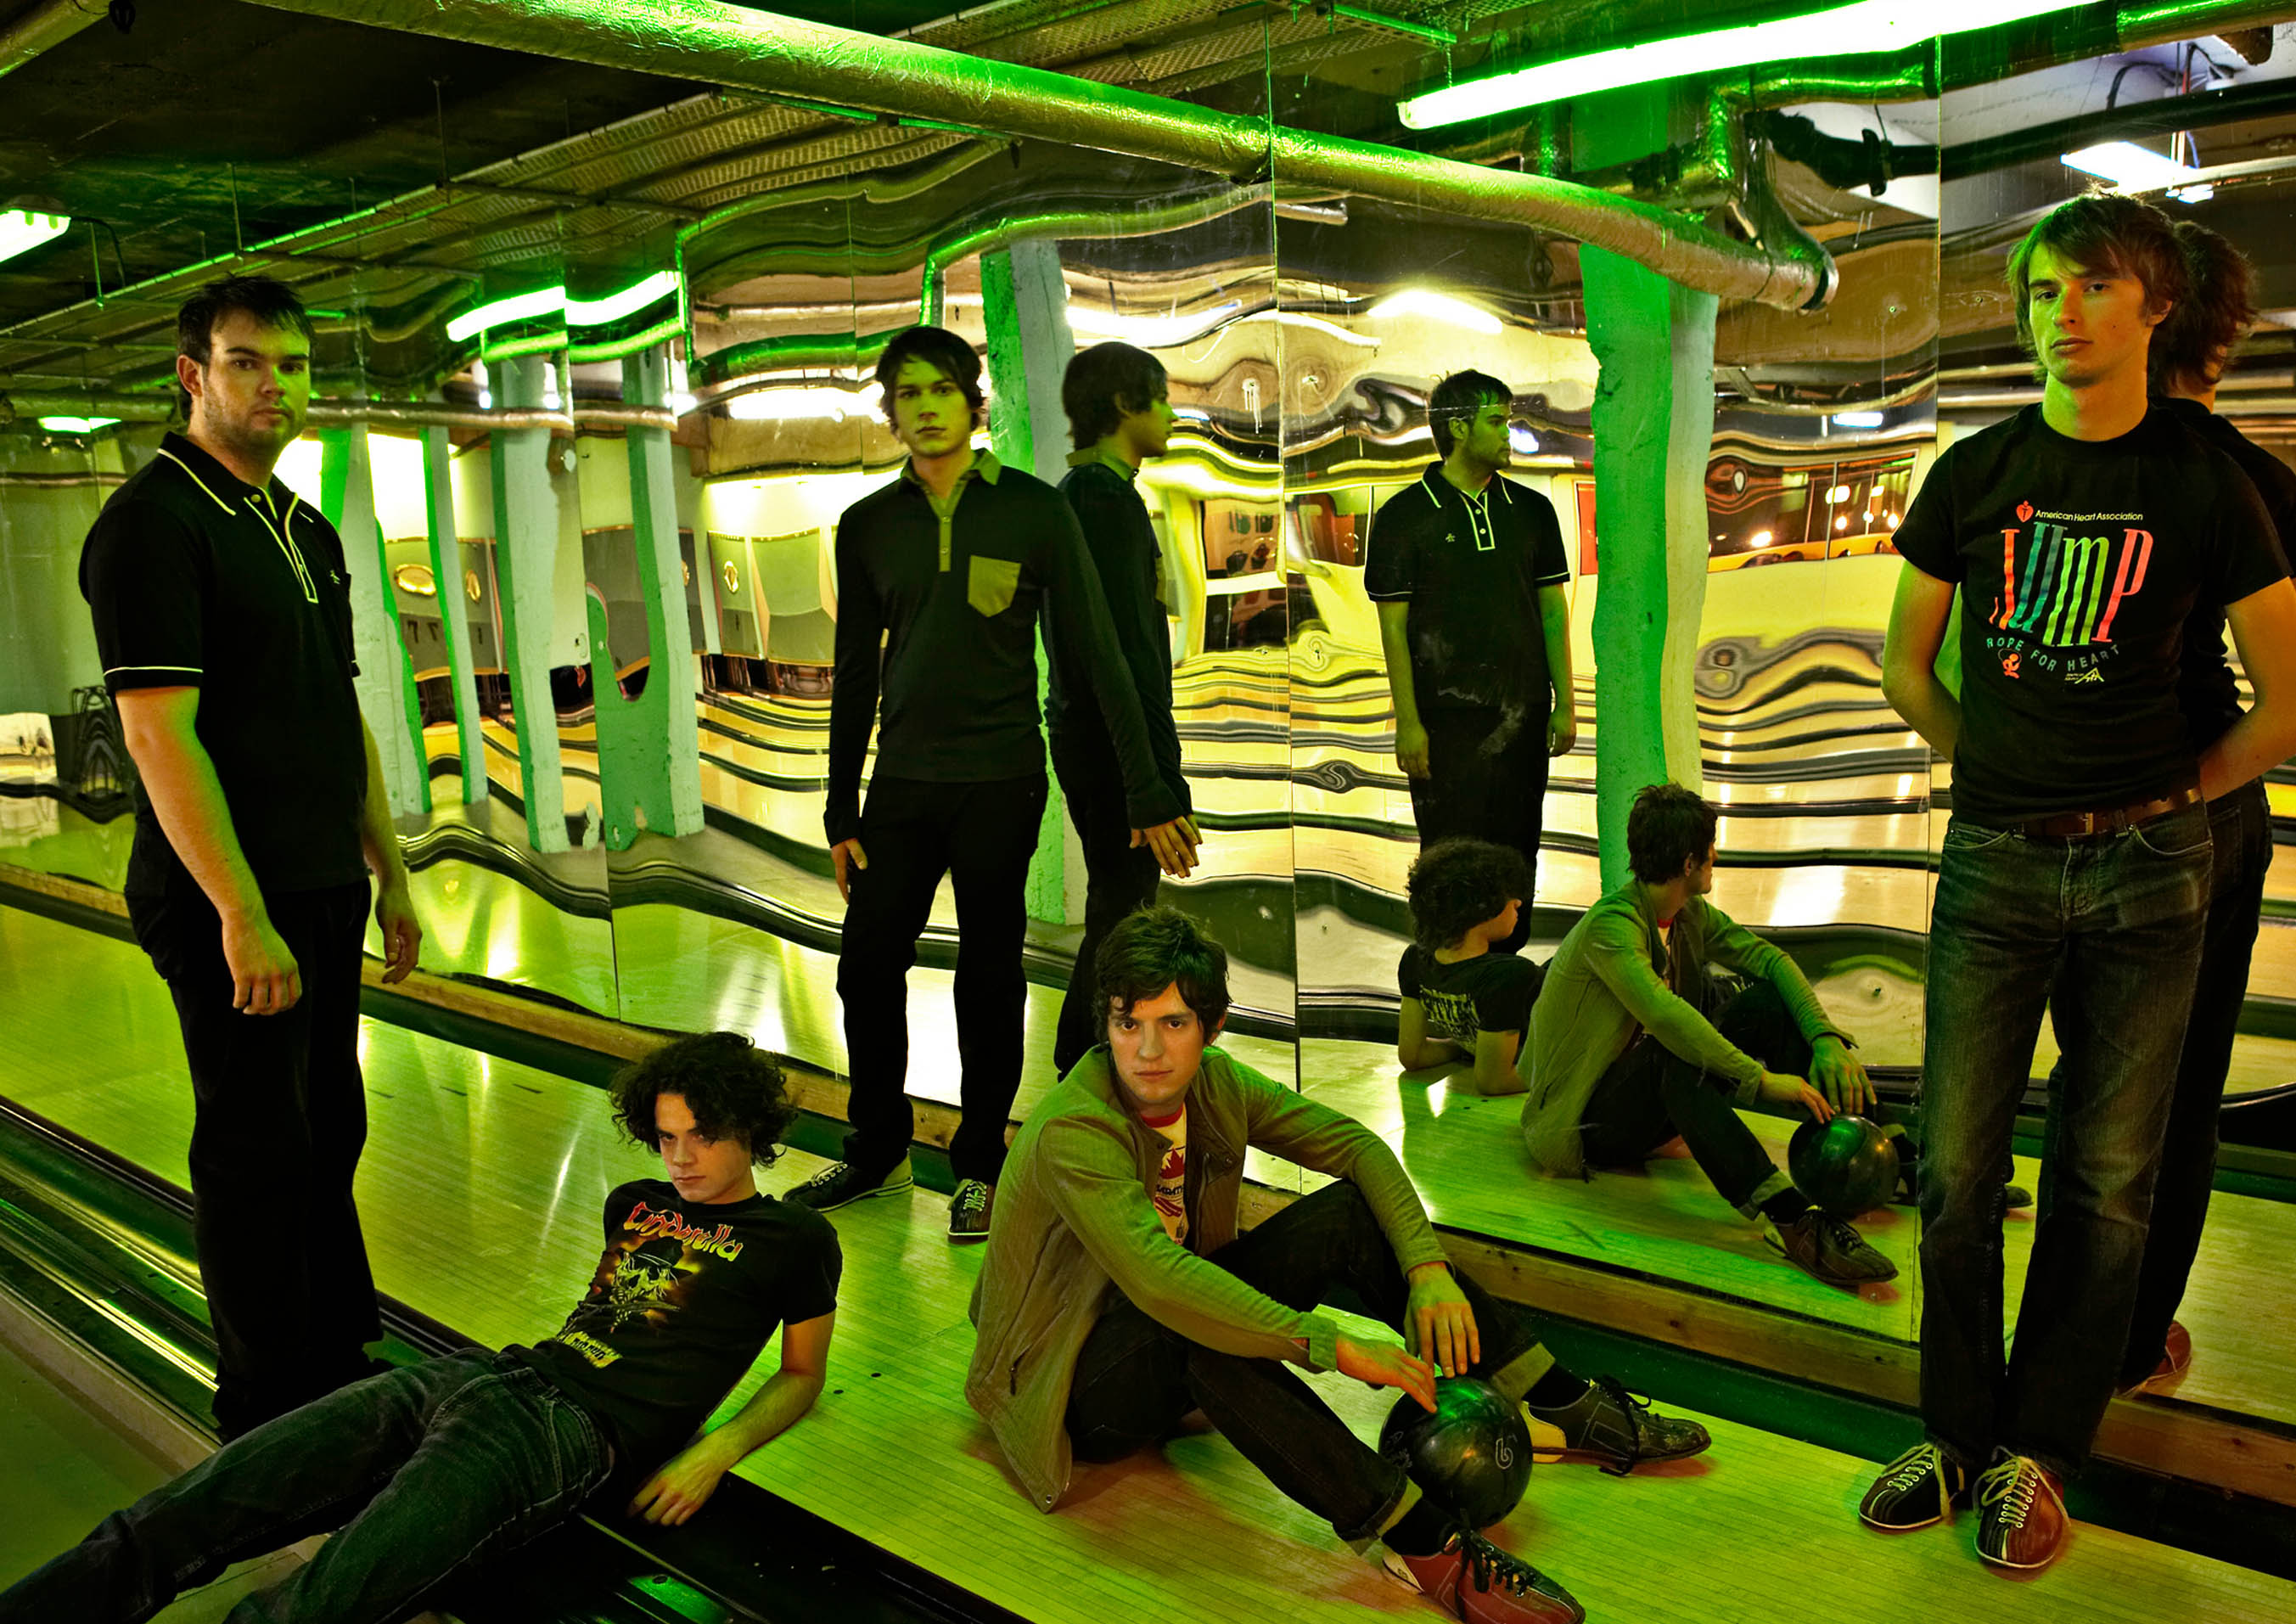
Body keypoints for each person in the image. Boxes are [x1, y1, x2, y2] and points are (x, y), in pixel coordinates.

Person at [1866, 193, 2296, 1571]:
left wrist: (2175, 800)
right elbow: (1904, 664)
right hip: (1995, 857)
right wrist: (1992, 766)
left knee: (2107, 1178)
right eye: (2044, 288)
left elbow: (2287, 699)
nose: (2061, 311)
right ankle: (1954, 1429)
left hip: (2148, 869)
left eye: (2092, 286)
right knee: (1954, 1166)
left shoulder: (2208, 483)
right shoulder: (1977, 470)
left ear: (2156, 307)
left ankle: (2041, 1450)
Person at [967, 908, 1710, 1624]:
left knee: (1345, 1216)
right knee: (1196, 1325)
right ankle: (1424, 1543)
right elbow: (1162, 1281)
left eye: (1174, 1023)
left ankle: (1561, 1403)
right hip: (1067, 1382)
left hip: (1162, 1330)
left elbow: (1356, 1148)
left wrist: (1425, 1267)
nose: (1147, 1051)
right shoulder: (1075, 1128)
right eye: (1127, 1023)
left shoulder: (1217, 1083)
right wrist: (1332, 1345)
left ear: (1213, 1027)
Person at [0, 1031, 841, 1624]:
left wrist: (713, 1449)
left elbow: (802, 1374)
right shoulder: (634, 1201)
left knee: (317, 1606)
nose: (680, 1157)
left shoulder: (795, 1238)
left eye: (702, 1136)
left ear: (751, 1130)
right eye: (665, 1137)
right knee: (179, 1514)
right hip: (477, 1374)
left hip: (562, 1434)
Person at [78, 274, 424, 1439]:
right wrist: (238, 910)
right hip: (228, 897)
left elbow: (338, 705)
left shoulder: (304, 527)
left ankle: (333, 1345)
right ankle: (266, 1402)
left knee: (330, 1125)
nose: (276, 384)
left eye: (294, 364)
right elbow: (156, 733)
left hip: (320, 882)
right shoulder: (153, 524)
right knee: (256, 1144)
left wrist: (391, 867)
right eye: (246, 362)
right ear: (193, 375)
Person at [800, 325, 1199, 1241]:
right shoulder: (868, 525)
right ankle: (876, 1145)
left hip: (1000, 781)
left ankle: (979, 1164)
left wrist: (1147, 791)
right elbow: (854, 672)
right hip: (901, 785)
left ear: (972, 402)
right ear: (890, 411)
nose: (925, 407)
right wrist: (839, 806)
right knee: (866, 967)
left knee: (988, 974)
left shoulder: (1033, 511)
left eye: (941, 389)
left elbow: (1099, 655)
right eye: (907, 393)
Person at [2032, 219, 2296, 1397]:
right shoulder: (2252, 480)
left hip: (2069, 814)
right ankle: (2128, 1342)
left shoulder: (2055, 463)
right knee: (2178, 1094)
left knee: (2091, 1079)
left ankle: (2059, 1336)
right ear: (2217, 332)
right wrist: (2190, 787)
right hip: (2203, 806)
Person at [1519, 784, 1895, 1290]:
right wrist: (1761, 1080)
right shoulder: (1612, 926)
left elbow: (1771, 961)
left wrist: (1824, 1037)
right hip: (1587, 1125)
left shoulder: (1687, 914)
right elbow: (1667, 1017)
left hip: (1654, 1094)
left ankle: (1879, 1147)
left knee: (1765, 1003)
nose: (1717, 856)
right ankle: (1791, 1220)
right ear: (1690, 862)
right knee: (1673, 1051)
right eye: (1711, 849)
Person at [1367, 372, 1575, 952]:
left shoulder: (1532, 510)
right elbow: (1393, 628)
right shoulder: (1404, 516)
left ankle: (1506, 974)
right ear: (1458, 428)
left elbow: (1552, 612)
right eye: (1496, 421)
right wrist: (1408, 722)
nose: (1509, 432)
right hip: (1444, 725)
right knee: (1447, 858)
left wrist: (1564, 704)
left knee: (1518, 849)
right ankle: (1448, 977)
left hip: (1523, 717)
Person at [1047, 340, 1199, 1077]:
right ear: (1122, 404)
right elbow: (1119, 656)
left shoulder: (1094, 494)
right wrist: (1150, 783)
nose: (1171, 413)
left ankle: (1082, 1064)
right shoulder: (1101, 501)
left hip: (1100, 739)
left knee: (1120, 904)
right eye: (1160, 397)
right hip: (1110, 745)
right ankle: (1081, 1065)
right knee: (1120, 911)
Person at [1394, 839, 1540, 1097]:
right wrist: (1568, 1074)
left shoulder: (1415, 960)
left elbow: (1413, 1056)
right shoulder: (1508, 976)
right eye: (1508, 895)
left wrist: (1464, 1046)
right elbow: (1494, 1082)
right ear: (1484, 908)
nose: (1518, 903)